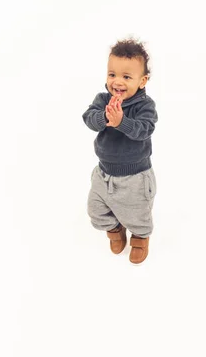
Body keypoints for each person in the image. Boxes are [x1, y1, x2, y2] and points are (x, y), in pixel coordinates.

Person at [82, 38, 158, 264]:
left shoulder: (145, 106)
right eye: (112, 74)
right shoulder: (103, 99)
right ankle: (115, 229)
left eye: (127, 77)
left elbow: (144, 129)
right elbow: (88, 119)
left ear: (142, 80)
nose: (117, 82)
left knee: (138, 213)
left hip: (135, 176)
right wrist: (105, 116)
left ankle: (140, 236)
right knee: (96, 210)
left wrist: (121, 122)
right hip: (104, 172)